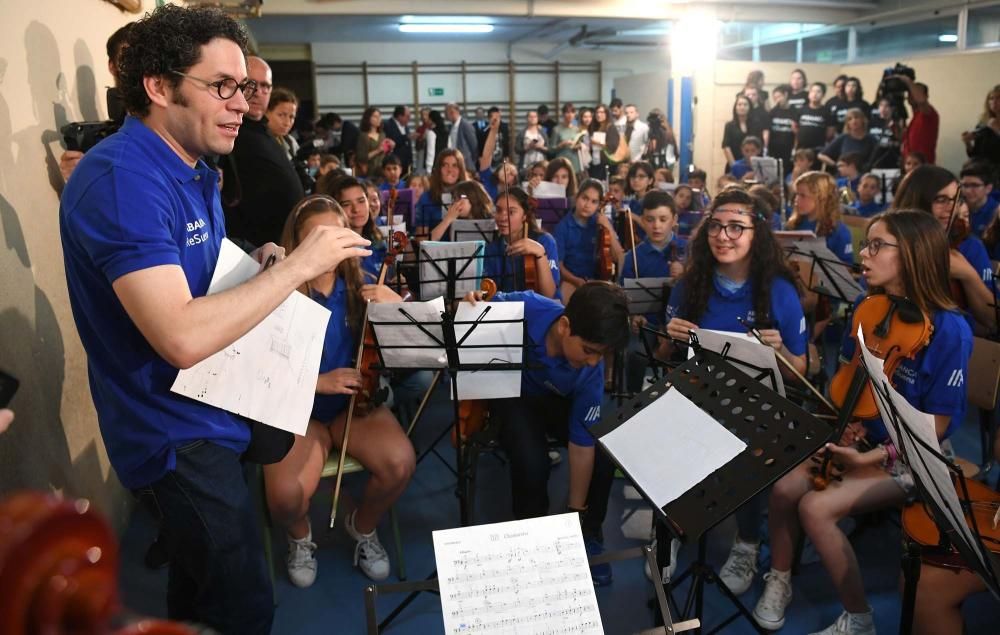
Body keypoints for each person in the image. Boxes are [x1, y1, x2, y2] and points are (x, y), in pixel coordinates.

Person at [58, 6, 371, 632]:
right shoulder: (125, 179)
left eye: (247, 87)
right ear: (158, 86)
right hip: (173, 431)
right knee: (240, 606)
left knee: (201, 588)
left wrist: (252, 267)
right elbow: (179, 334)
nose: (241, 102)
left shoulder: (190, 163)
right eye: (223, 85)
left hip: (211, 406)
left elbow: (187, 278)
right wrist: (296, 268)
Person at [751, 210, 972, 635]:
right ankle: (779, 580)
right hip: (861, 438)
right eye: (866, 244)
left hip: (917, 458)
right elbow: (860, 383)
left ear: (910, 255)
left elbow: (937, 429)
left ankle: (859, 618)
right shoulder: (868, 307)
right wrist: (850, 426)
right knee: (782, 488)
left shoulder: (950, 330)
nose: (863, 255)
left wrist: (872, 456)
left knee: (815, 507)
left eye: (876, 245)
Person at [656, 189, 807, 596]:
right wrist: (669, 338)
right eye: (716, 226)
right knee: (661, 436)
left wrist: (781, 354)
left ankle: (746, 541)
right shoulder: (689, 286)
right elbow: (662, 357)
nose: (724, 235)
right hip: (697, 398)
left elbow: (802, 371)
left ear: (756, 234)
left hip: (756, 407)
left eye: (736, 227)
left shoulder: (779, 291)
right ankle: (671, 528)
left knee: (749, 446)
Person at [265, 196, 414, 588]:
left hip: (354, 408)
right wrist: (318, 381)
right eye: (316, 236)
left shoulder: (363, 281)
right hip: (299, 409)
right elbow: (258, 368)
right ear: (297, 242)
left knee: (400, 463)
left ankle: (361, 526)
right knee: (284, 497)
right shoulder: (276, 288)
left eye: (335, 234)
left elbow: (407, 350)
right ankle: (299, 536)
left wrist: (396, 305)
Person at [463, 281, 630, 586]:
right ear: (565, 326)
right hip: (513, 396)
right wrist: (473, 300)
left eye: (601, 355)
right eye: (590, 351)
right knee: (530, 460)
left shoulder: (589, 371)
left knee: (604, 455)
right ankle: (532, 536)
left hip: (558, 401)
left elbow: (581, 446)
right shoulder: (526, 306)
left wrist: (574, 515)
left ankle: (589, 533)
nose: (594, 362)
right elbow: (484, 300)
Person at [892, 165, 996, 335]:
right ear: (918, 200)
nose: (951, 207)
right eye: (941, 200)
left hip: (949, 341)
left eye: (955, 199)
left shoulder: (969, 246)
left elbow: (991, 319)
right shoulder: (891, 241)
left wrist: (967, 274)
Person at [221, 55, 304, 248]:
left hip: (282, 245)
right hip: (249, 250)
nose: (258, 92)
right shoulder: (228, 130)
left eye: (266, 86)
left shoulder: (265, 131)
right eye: (251, 84)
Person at [620, 190, 686, 393]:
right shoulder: (633, 256)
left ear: (674, 220)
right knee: (635, 353)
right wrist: (634, 316)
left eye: (663, 219)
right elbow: (624, 295)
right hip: (647, 324)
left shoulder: (688, 249)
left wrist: (686, 274)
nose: (656, 226)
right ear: (642, 220)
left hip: (681, 325)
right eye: (650, 220)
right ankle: (633, 399)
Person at [555, 179, 625, 302]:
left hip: (597, 280)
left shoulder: (600, 223)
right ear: (577, 197)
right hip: (571, 279)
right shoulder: (563, 227)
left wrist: (608, 227)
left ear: (599, 205)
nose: (587, 205)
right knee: (564, 300)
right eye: (584, 198)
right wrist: (575, 280)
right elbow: (559, 265)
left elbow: (619, 256)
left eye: (594, 202)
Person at [484, 186, 559, 299]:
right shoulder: (492, 248)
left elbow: (549, 294)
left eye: (511, 212)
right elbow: (488, 294)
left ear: (525, 215)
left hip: (540, 308)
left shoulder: (545, 241)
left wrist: (540, 254)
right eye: (499, 210)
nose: (502, 217)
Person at [786, 171, 854, 264]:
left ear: (821, 198)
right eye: (796, 194)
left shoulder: (838, 231)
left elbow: (847, 269)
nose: (796, 200)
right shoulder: (794, 224)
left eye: (802, 195)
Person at [414, 149, 468, 238]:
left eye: (455, 165)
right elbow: (421, 240)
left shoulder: (469, 195)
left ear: (461, 170)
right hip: (436, 250)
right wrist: (448, 219)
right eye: (445, 165)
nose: (450, 170)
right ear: (439, 169)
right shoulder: (426, 198)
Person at [897, 76, 939, 166]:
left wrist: (908, 81)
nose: (912, 95)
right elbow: (903, 140)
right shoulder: (914, 118)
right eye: (910, 93)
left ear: (926, 96)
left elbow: (921, 101)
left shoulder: (929, 113)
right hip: (909, 166)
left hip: (924, 167)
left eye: (915, 92)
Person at [819, 109, 877, 173]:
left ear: (862, 120)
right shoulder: (843, 138)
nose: (854, 121)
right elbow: (821, 155)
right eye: (850, 119)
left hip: (863, 175)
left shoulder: (871, 139)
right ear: (847, 123)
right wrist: (836, 165)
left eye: (856, 117)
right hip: (843, 176)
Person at [722, 95, 766, 172]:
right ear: (735, 108)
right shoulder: (729, 125)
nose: (742, 107)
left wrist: (754, 167)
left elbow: (760, 146)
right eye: (739, 104)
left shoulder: (757, 124)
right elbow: (726, 147)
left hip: (753, 166)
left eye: (745, 105)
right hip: (734, 164)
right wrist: (735, 167)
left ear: (750, 107)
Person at [797, 82, 835, 167]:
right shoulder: (801, 110)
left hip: (817, 150)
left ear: (823, 95)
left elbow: (830, 132)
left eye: (818, 92)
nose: (815, 94)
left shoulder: (827, 111)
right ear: (809, 94)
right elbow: (795, 127)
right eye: (813, 91)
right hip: (801, 149)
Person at [962, 84, 1000, 165]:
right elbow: (974, 154)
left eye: (998, 98)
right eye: (991, 98)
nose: (994, 101)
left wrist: (997, 129)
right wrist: (968, 143)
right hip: (982, 168)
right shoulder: (983, 122)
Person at [961, 160, 998, 236]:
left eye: (974, 185)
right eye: (965, 185)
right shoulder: (958, 209)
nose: (968, 191)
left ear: (988, 188)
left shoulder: (996, 212)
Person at [356, 106, 392, 179]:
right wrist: (377, 150)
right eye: (375, 116)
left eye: (379, 116)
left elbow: (385, 154)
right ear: (368, 119)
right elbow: (361, 158)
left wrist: (390, 148)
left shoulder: (382, 134)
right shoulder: (363, 136)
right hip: (370, 173)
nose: (378, 119)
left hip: (383, 171)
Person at [767, 85, 797, 171]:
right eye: (775, 98)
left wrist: (794, 149)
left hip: (788, 148)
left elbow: (797, 133)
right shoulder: (773, 112)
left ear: (786, 95)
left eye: (779, 96)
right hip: (774, 149)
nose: (777, 100)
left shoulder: (794, 111)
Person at [266, 87, 299, 161]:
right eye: (281, 115)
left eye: (292, 117)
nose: (287, 123)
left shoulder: (290, 141)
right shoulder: (257, 141)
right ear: (266, 112)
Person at [550, 103, 582, 173]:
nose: (570, 115)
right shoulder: (556, 129)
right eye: (567, 112)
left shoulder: (577, 129)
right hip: (562, 161)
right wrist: (562, 144)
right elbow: (551, 150)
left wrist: (578, 146)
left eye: (572, 112)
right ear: (563, 114)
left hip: (575, 161)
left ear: (574, 114)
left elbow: (580, 145)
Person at [446, 103, 479, 171]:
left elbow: (474, 146)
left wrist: (471, 161)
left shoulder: (466, 125)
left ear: (457, 111)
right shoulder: (450, 127)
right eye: (448, 113)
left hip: (466, 164)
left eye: (451, 112)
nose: (449, 115)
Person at [385, 105, 413, 174]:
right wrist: (406, 137)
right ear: (400, 116)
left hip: (407, 164)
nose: (409, 119)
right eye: (407, 116)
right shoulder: (388, 125)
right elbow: (391, 142)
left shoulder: (405, 125)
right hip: (395, 163)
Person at [423, 109, 448, 175]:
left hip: (434, 166)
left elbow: (430, 152)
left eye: (428, 118)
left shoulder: (431, 133)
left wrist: (428, 168)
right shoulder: (447, 132)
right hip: (445, 164)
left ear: (431, 120)